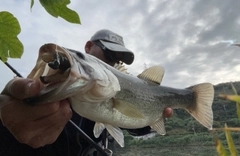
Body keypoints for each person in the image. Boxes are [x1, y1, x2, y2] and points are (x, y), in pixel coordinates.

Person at [0, 29, 173, 155]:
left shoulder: (108, 92)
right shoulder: (64, 92)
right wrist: (7, 127)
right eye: (108, 54)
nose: (112, 63)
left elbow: (128, 122)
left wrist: (152, 118)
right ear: (88, 47)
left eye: (117, 60)